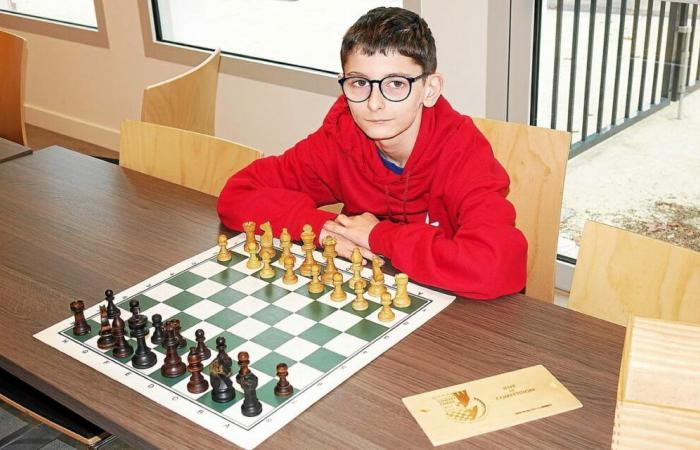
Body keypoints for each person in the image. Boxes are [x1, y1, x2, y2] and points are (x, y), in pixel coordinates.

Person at [217, 7, 527, 299]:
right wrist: (322, 226)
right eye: (359, 83)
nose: (374, 103)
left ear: (429, 90)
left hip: (453, 310)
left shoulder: (461, 153)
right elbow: (237, 194)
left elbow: (497, 267)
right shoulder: (339, 140)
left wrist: (379, 235)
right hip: (369, 296)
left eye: (395, 84)